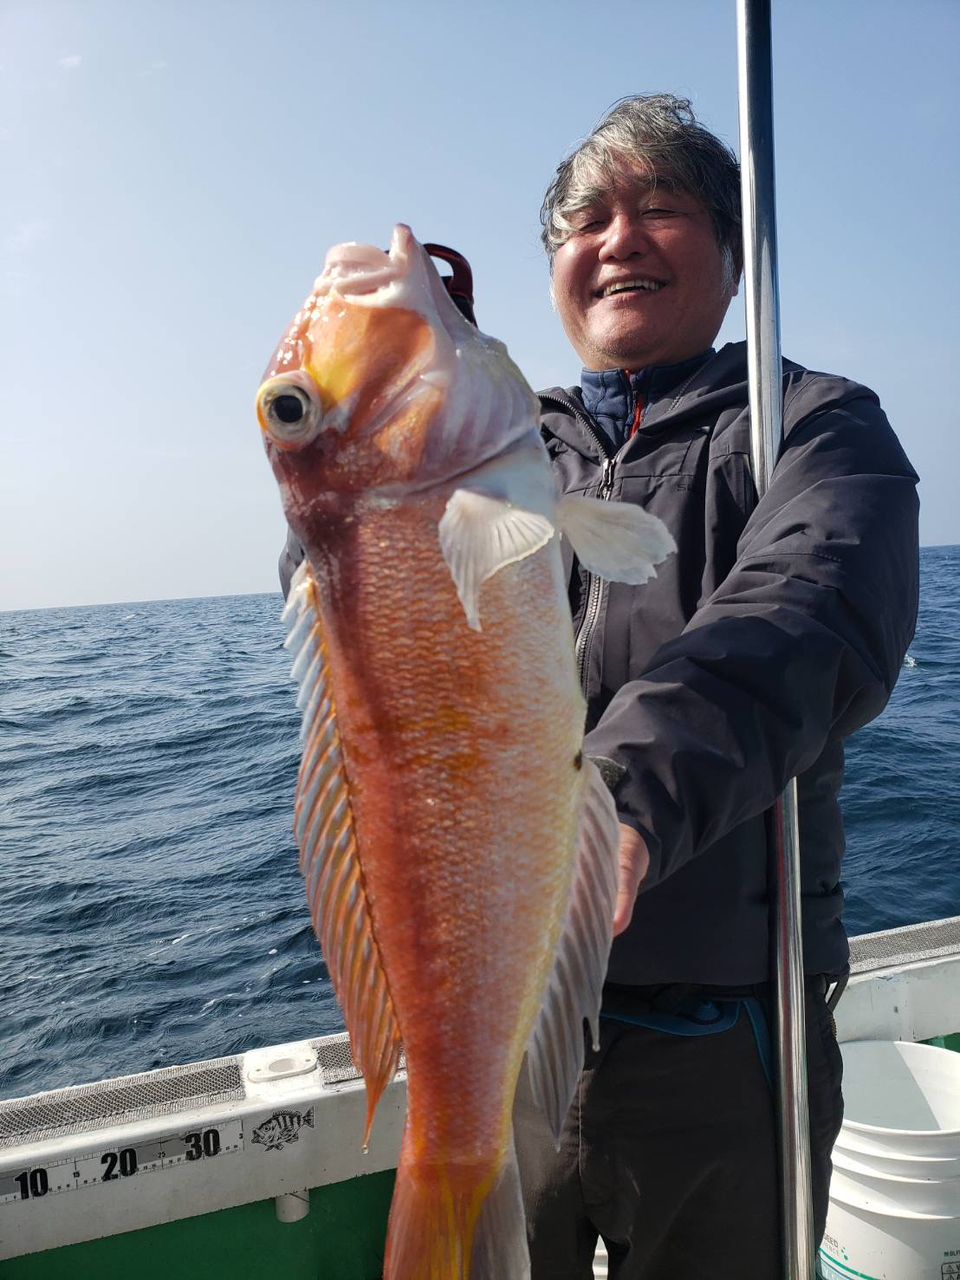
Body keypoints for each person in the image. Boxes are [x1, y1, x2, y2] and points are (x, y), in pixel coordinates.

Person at [511, 94, 919, 1279]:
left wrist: (624, 801)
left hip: (722, 1028)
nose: (619, 238)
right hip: (512, 1014)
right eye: (586, 219)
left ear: (736, 257)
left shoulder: (812, 427)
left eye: (666, 209)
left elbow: (806, 612)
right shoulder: (499, 456)